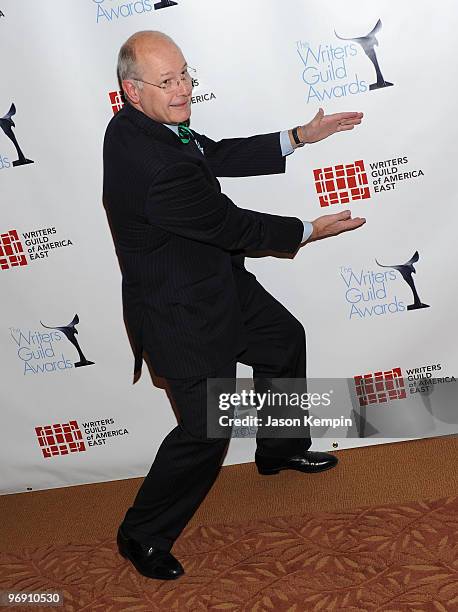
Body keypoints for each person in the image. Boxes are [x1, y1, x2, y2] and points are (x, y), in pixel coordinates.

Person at [103, 30, 365, 581]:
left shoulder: (143, 125)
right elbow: (232, 225)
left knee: (282, 340)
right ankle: (141, 533)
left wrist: (297, 136)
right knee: (205, 431)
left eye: (184, 74)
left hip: (215, 281)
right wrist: (308, 230)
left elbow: (210, 153)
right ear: (132, 90)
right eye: (167, 81)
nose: (183, 89)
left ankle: (278, 447)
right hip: (181, 314)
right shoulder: (154, 166)